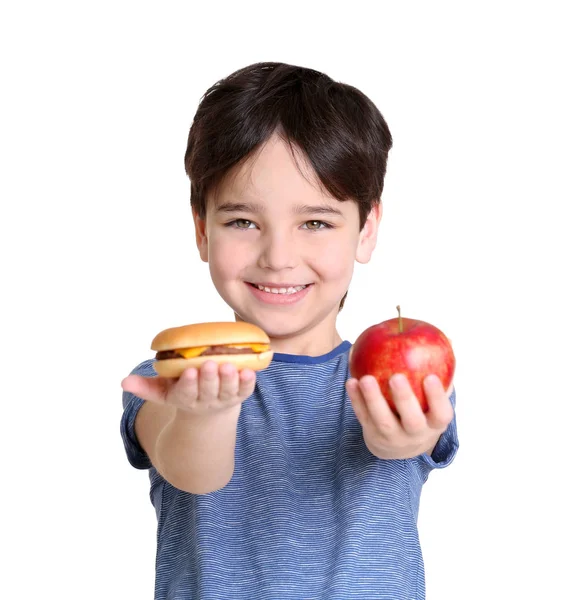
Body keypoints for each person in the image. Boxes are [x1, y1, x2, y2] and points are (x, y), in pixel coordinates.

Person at [120, 61, 459, 600]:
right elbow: (190, 470)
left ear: (366, 230)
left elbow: (401, 440)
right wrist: (206, 414)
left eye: (316, 223)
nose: (278, 257)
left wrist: (401, 438)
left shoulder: (401, 381)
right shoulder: (175, 379)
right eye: (242, 222)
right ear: (202, 231)